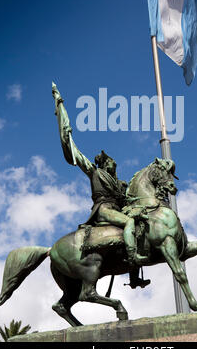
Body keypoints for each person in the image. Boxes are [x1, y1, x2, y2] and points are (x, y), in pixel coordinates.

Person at [52, 82, 149, 268]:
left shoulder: (120, 183)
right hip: (103, 210)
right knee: (129, 222)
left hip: (116, 209)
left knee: (139, 225)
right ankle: (133, 258)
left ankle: (135, 276)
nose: (114, 163)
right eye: (111, 161)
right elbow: (77, 155)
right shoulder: (95, 172)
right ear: (105, 163)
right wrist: (66, 133)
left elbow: (128, 199)